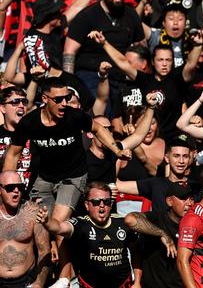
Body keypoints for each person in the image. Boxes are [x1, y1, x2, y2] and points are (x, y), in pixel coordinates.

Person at [3, 77, 130, 227]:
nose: (64, 103)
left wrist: (116, 150)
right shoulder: (30, 122)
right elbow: (13, 154)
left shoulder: (74, 116)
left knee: (56, 223)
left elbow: (98, 128)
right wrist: (5, 184)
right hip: (45, 178)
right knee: (41, 224)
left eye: (67, 98)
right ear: (45, 98)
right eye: (58, 99)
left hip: (73, 176)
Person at [36, 181, 176, 288]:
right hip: (89, 285)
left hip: (122, 284)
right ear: (87, 205)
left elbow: (135, 251)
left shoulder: (122, 223)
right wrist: (47, 222)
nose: (102, 205)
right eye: (96, 202)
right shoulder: (81, 224)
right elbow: (59, 227)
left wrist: (137, 281)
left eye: (107, 202)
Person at [125, 182, 194, 288]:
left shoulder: (195, 223)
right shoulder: (157, 219)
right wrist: (161, 233)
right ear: (169, 201)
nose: (189, 203)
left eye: (191, 198)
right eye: (183, 198)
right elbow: (130, 219)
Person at [0, 171, 50, 288]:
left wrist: (39, 282)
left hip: (26, 281)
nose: (16, 191)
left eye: (20, 187)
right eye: (10, 187)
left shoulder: (33, 211)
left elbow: (45, 251)